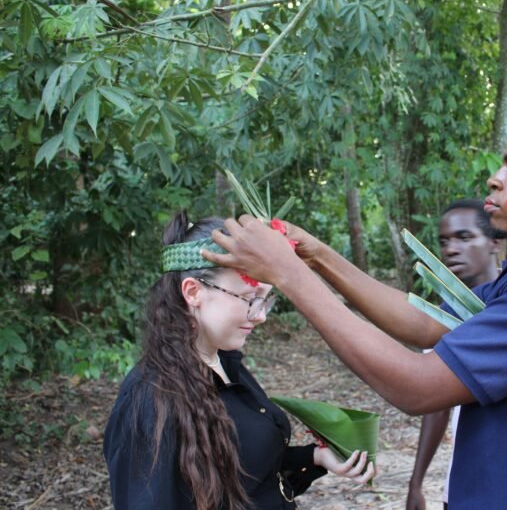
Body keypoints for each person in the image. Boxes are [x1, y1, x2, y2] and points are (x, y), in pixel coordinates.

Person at [202, 93, 507, 509]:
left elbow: (417, 385)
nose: (495, 178)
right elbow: (426, 323)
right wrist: (315, 256)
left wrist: (287, 274)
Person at [103, 213, 375, 510]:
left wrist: (315, 457)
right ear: (193, 292)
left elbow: (245, 466)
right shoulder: (150, 399)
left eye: (266, 300)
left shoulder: (226, 363)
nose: (261, 316)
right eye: (249, 298)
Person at [407, 199, 502, 510]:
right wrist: (416, 482)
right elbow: (436, 405)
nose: (450, 249)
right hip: (463, 483)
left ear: (495, 242)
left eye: (464, 237)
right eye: (444, 241)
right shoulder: (443, 317)